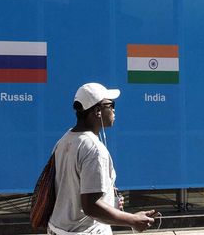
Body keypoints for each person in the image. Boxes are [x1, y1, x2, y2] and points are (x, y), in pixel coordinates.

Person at [47, 82, 159, 234]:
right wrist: (133, 220)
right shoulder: (94, 149)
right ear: (97, 111)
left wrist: (108, 197)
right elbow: (91, 207)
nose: (114, 109)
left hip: (57, 229)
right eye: (110, 105)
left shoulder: (64, 140)